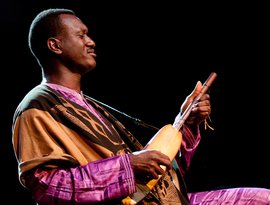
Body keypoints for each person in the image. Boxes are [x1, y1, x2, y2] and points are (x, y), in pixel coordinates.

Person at [11, 8, 270, 205]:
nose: (91, 41)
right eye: (81, 35)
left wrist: (186, 121)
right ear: (54, 45)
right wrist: (128, 167)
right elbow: (46, 186)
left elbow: (155, 174)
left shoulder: (90, 106)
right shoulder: (38, 107)